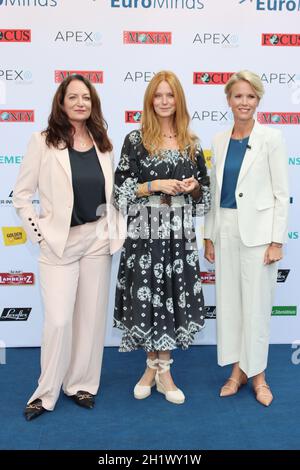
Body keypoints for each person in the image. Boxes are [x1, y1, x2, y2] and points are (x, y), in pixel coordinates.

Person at [13, 74, 124, 420]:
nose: (80, 103)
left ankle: (81, 385)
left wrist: (113, 230)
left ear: (93, 104)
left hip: (96, 239)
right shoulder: (42, 141)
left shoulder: (103, 142)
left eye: (86, 98)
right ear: (61, 103)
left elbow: (114, 192)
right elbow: (20, 196)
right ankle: (45, 393)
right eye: (73, 97)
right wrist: (40, 234)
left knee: (90, 320)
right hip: (59, 243)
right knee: (59, 321)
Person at [113, 71, 210, 404]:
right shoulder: (135, 140)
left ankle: (163, 370)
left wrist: (194, 188)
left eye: (170, 95)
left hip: (179, 231)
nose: (164, 101)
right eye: (158, 95)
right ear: (150, 100)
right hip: (144, 229)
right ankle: (151, 367)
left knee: (170, 295)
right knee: (149, 296)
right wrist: (153, 185)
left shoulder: (192, 143)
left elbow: (206, 200)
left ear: (179, 100)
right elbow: (118, 192)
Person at [204, 70, 289, 406]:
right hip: (224, 229)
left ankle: (260, 378)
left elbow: (282, 194)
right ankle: (237, 372)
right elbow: (214, 193)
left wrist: (276, 240)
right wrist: (208, 236)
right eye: (238, 96)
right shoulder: (219, 140)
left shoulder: (272, 138)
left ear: (258, 101)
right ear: (228, 99)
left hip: (259, 236)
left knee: (256, 308)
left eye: (250, 96)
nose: (244, 102)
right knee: (231, 307)